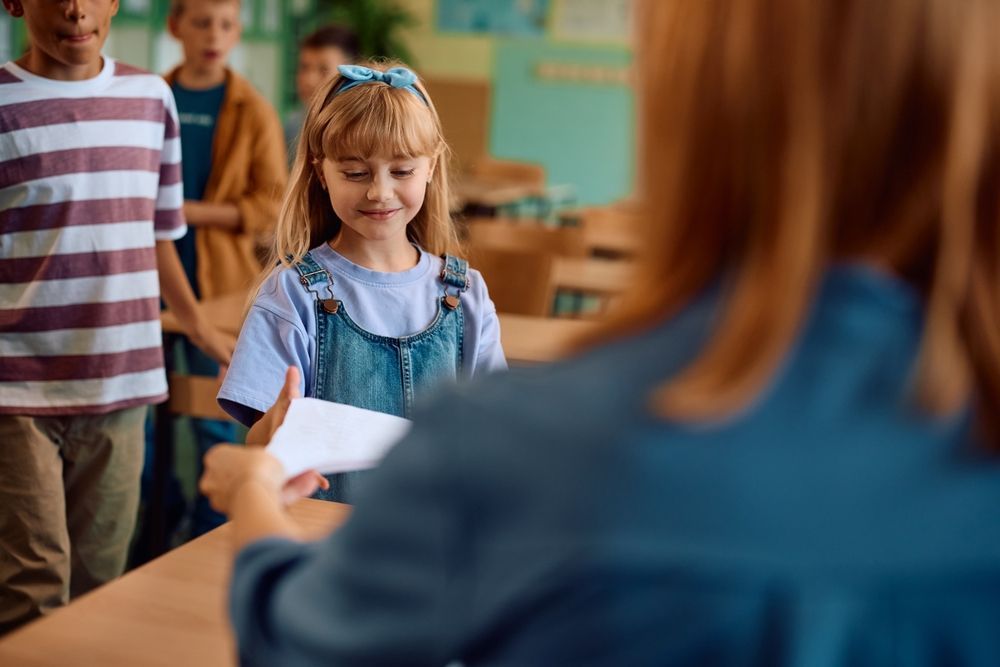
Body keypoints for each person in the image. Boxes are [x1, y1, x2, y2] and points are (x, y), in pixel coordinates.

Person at [202, 0, 1000, 663]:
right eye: (355, 170)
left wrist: (252, 496)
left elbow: (296, 637)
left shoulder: (519, 443)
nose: (382, 189)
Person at [0, 0, 234, 634]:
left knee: (101, 584)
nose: (75, 10)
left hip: (123, 381)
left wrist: (202, 328)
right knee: (33, 584)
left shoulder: (150, 97)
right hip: (17, 390)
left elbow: (160, 235)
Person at [217, 62, 507, 503]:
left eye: (402, 171)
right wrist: (276, 425)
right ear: (320, 171)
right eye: (355, 173)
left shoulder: (467, 294)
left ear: (430, 167)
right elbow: (258, 451)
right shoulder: (291, 294)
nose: (379, 192)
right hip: (325, 545)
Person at [154, 0, 288, 538]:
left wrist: (184, 212)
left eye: (227, 25)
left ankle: (213, 540)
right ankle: (154, 535)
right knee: (148, 435)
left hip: (220, 289)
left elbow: (270, 206)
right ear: (175, 26)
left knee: (216, 425)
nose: (214, 35)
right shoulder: (153, 96)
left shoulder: (250, 109)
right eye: (202, 22)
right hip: (147, 286)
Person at [283, 23, 359, 166]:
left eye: (323, 70)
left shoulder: (364, 130)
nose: (309, 80)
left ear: (352, 74)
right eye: (304, 67)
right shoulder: (292, 126)